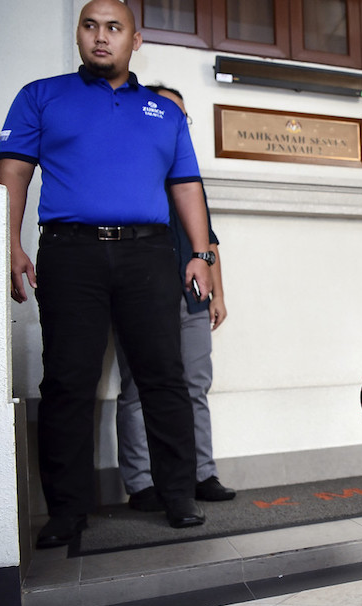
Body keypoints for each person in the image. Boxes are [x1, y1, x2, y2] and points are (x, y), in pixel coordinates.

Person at [0, 0, 213, 547]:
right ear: (78, 36)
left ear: (134, 40)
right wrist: (9, 244)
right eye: (90, 26)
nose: (101, 37)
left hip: (146, 255)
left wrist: (201, 253)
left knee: (164, 376)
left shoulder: (163, 112)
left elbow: (186, 185)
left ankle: (177, 496)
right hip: (71, 255)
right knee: (68, 381)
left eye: (114, 28)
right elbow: (14, 172)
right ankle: (67, 512)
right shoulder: (41, 96)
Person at [115, 85, 235, 512]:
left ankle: (202, 474)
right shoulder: (131, 168)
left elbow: (209, 243)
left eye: (180, 115)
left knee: (195, 387)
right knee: (136, 389)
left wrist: (218, 293)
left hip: (191, 298)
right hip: (141, 295)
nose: (173, 120)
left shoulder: (188, 175)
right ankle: (142, 483)